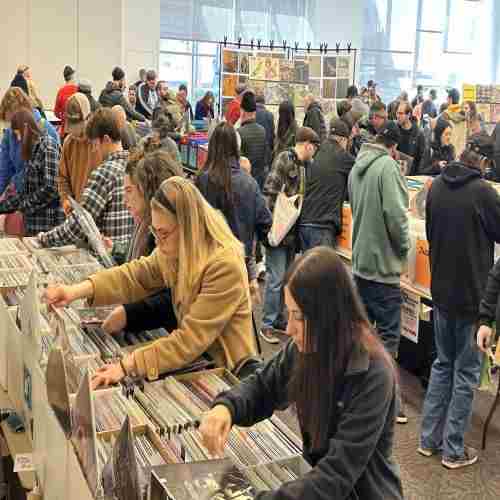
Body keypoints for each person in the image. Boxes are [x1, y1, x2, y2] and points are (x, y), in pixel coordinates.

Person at [200, 247, 404, 500]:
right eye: (288, 314)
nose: (288, 328)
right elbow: (264, 387)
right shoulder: (306, 347)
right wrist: (227, 408)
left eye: (299, 317)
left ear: (329, 315)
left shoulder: (374, 375)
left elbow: (336, 476)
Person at [44, 176, 257, 386]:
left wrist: (127, 365)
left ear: (188, 227)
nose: (158, 241)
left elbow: (189, 339)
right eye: (154, 232)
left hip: (228, 376)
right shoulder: (177, 247)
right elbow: (134, 275)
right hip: (202, 365)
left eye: (163, 233)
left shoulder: (224, 264)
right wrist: (75, 291)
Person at [419, 149, 500, 469]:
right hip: (472, 298)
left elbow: (428, 234)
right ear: (482, 163)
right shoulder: (483, 192)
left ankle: (428, 440)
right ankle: (453, 449)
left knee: (442, 364)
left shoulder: (436, 185)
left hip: (440, 292)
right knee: (465, 373)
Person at [348, 121, 410, 423]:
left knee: (362, 335)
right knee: (387, 341)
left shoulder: (358, 163)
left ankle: (359, 394)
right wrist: (404, 251)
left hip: (360, 264)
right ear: (394, 146)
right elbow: (397, 218)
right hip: (383, 269)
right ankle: (388, 403)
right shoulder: (387, 168)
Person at [101, 150, 183, 336]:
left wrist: (127, 315)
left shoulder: (163, 233)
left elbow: (171, 300)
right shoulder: (147, 224)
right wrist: (116, 249)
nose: (125, 200)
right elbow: (138, 270)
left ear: (146, 191)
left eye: (129, 191)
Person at [38, 108, 134, 259]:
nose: (94, 150)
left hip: (105, 263)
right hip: (128, 258)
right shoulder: (135, 167)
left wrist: (44, 239)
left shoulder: (104, 174)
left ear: (106, 139)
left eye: (95, 144)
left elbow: (79, 226)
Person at [196, 122, 272, 306]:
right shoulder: (249, 183)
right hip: (238, 267)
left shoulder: (202, 180)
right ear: (237, 148)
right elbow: (265, 224)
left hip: (206, 265)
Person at [260, 127, 319, 344]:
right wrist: (268, 230)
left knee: (284, 278)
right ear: (308, 145)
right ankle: (267, 323)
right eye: (314, 148)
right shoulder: (284, 159)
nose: (314, 152)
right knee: (275, 279)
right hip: (278, 232)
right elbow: (270, 191)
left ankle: (277, 319)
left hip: (291, 234)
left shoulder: (304, 166)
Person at [0, 109, 64, 235]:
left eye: (19, 134)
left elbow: (51, 187)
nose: (18, 139)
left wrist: (24, 205)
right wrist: (3, 206)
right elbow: (25, 192)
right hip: (33, 224)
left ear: (26, 128)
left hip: (48, 224)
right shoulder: (32, 151)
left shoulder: (48, 146)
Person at [299, 118, 355, 251]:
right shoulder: (343, 157)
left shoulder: (316, 151)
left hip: (304, 222)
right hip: (323, 227)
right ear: (342, 140)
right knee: (322, 270)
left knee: (307, 269)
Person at [0, 88, 59, 197]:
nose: (13, 131)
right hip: (20, 197)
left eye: (15, 125)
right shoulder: (9, 134)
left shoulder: (48, 133)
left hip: (39, 200)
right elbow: (4, 170)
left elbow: (51, 182)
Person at [58, 93, 103, 213]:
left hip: (97, 214)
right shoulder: (69, 142)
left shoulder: (100, 143)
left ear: (88, 118)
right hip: (76, 215)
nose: (72, 130)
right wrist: (66, 199)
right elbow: (62, 177)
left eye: (77, 125)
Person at [238, 92, 268, 190]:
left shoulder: (239, 132)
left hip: (244, 182)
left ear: (242, 111)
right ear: (255, 113)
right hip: (259, 181)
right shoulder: (263, 131)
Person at [396, 101, 426, 175]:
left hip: (411, 175)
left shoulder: (418, 133)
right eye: (397, 113)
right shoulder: (394, 130)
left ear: (408, 115)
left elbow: (421, 158)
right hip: (395, 172)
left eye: (401, 113)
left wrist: (416, 175)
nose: (397, 116)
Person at [438, 88, 467, 157]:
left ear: (450, 99)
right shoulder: (464, 115)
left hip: (448, 153)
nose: (446, 99)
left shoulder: (445, 115)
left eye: (447, 97)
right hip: (460, 153)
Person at [54, 66, 78, 137]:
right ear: (72, 76)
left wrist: (64, 117)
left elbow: (56, 112)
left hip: (65, 129)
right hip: (77, 130)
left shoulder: (61, 91)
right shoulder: (77, 90)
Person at [255, 94, 275, 168]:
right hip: (265, 152)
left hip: (253, 150)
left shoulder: (252, 113)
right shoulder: (269, 115)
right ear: (264, 102)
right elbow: (272, 135)